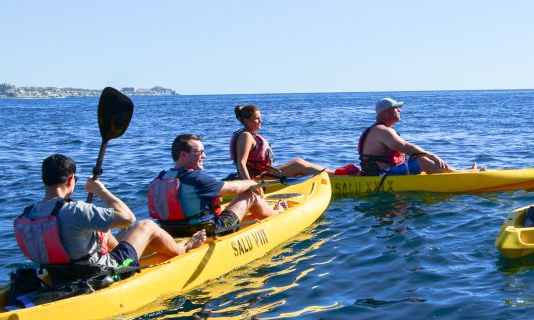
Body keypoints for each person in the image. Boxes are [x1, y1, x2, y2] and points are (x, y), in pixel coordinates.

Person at [14, 154, 205, 277]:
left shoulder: (26, 215)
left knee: (101, 231)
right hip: (100, 273)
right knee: (146, 226)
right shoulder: (75, 210)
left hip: (57, 274)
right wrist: (101, 190)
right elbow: (127, 218)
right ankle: (183, 249)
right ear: (71, 179)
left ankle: (137, 250)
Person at [148, 134, 286, 236]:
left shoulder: (161, 177)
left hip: (171, 232)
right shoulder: (195, 177)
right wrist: (251, 182)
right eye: (199, 152)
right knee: (248, 194)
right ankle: (276, 213)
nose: (204, 156)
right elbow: (236, 188)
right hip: (211, 230)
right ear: (183, 155)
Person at [357, 98, 479, 176]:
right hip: (381, 175)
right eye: (396, 108)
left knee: (419, 161)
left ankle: (460, 172)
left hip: (380, 172)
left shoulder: (379, 129)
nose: (399, 110)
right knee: (422, 161)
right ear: (386, 112)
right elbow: (405, 147)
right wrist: (432, 156)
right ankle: (459, 176)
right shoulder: (382, 130)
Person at [230, 104, 326, 181]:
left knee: (298, 161)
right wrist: (250, 186)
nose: (260, 121)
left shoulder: (249, 135)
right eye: (257, 118)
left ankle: (333, 173)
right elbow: (241, 163)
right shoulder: (245, 136)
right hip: (255, 180)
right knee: (298, 166)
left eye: (260, 118)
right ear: (246, 121)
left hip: (262, 175)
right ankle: (334, 176)